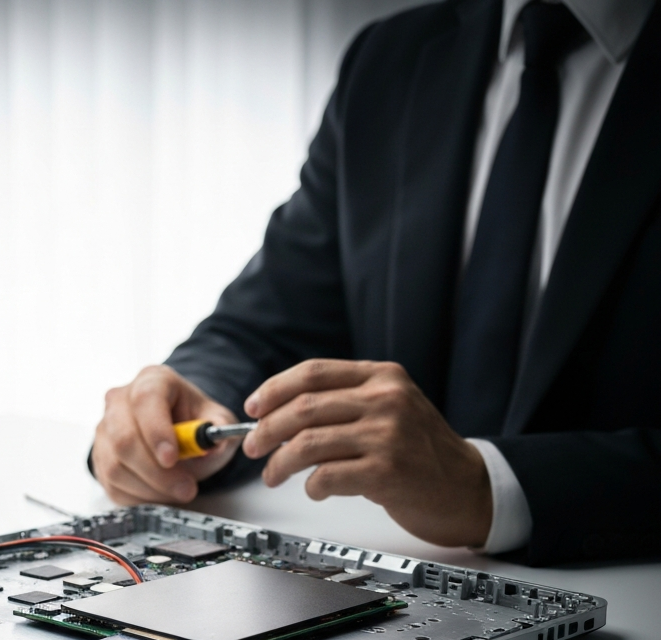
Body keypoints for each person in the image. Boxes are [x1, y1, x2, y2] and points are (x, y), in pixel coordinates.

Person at [90, 0, 661, 566]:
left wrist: (490, 487)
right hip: (397, 593)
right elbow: (271, 321)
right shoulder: (391, 58)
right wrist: (192, 406)